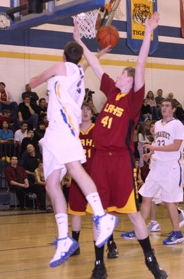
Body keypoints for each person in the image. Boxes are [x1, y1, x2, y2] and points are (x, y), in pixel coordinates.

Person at [74, 12, 167, 278]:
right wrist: (80, 42)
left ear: (128, 79)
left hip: (120, 160)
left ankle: (152, 262)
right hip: (100, 160)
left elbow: (140, 63)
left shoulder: (133, 99)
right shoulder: (113, 92)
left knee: (134, 214)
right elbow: (94, 63)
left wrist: (148, 32)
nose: (116, 77)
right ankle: (98, 265)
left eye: (120, 76)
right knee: (98, 215)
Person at [29, 40, 118, 268]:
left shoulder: (62, 68)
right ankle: (63, 239)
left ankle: (101, 215)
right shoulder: (77, 70)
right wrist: (97, 53)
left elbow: (33, 82)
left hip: (65, 127)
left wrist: (36, 80)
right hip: (54, 132)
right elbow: (84, 65)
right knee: (51, 184)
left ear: (63, 55)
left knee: (74, 169)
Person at [68, 102, 118, 259]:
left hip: (96, 177)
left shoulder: (98, 129)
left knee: (100, 212)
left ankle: (111, 244)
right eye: (82, 109)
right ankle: (74, 245)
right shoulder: (73, 131)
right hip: (78, 176)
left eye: (88, 109)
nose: (85, 112)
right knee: (76, 212)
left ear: (92, 112)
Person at [139, 98, 184, 245]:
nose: (164, 108)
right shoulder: (158, 124)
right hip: (157, 166)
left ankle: (177, 233)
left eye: (167, 106)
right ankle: (138, 230)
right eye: (162, 106)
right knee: (146, 197)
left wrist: (154, 149)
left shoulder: (178, 125)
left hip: (170, 167)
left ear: (173, 109)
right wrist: (151, 154)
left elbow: (175, 146)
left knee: (169, 201)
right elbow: (160, 143)